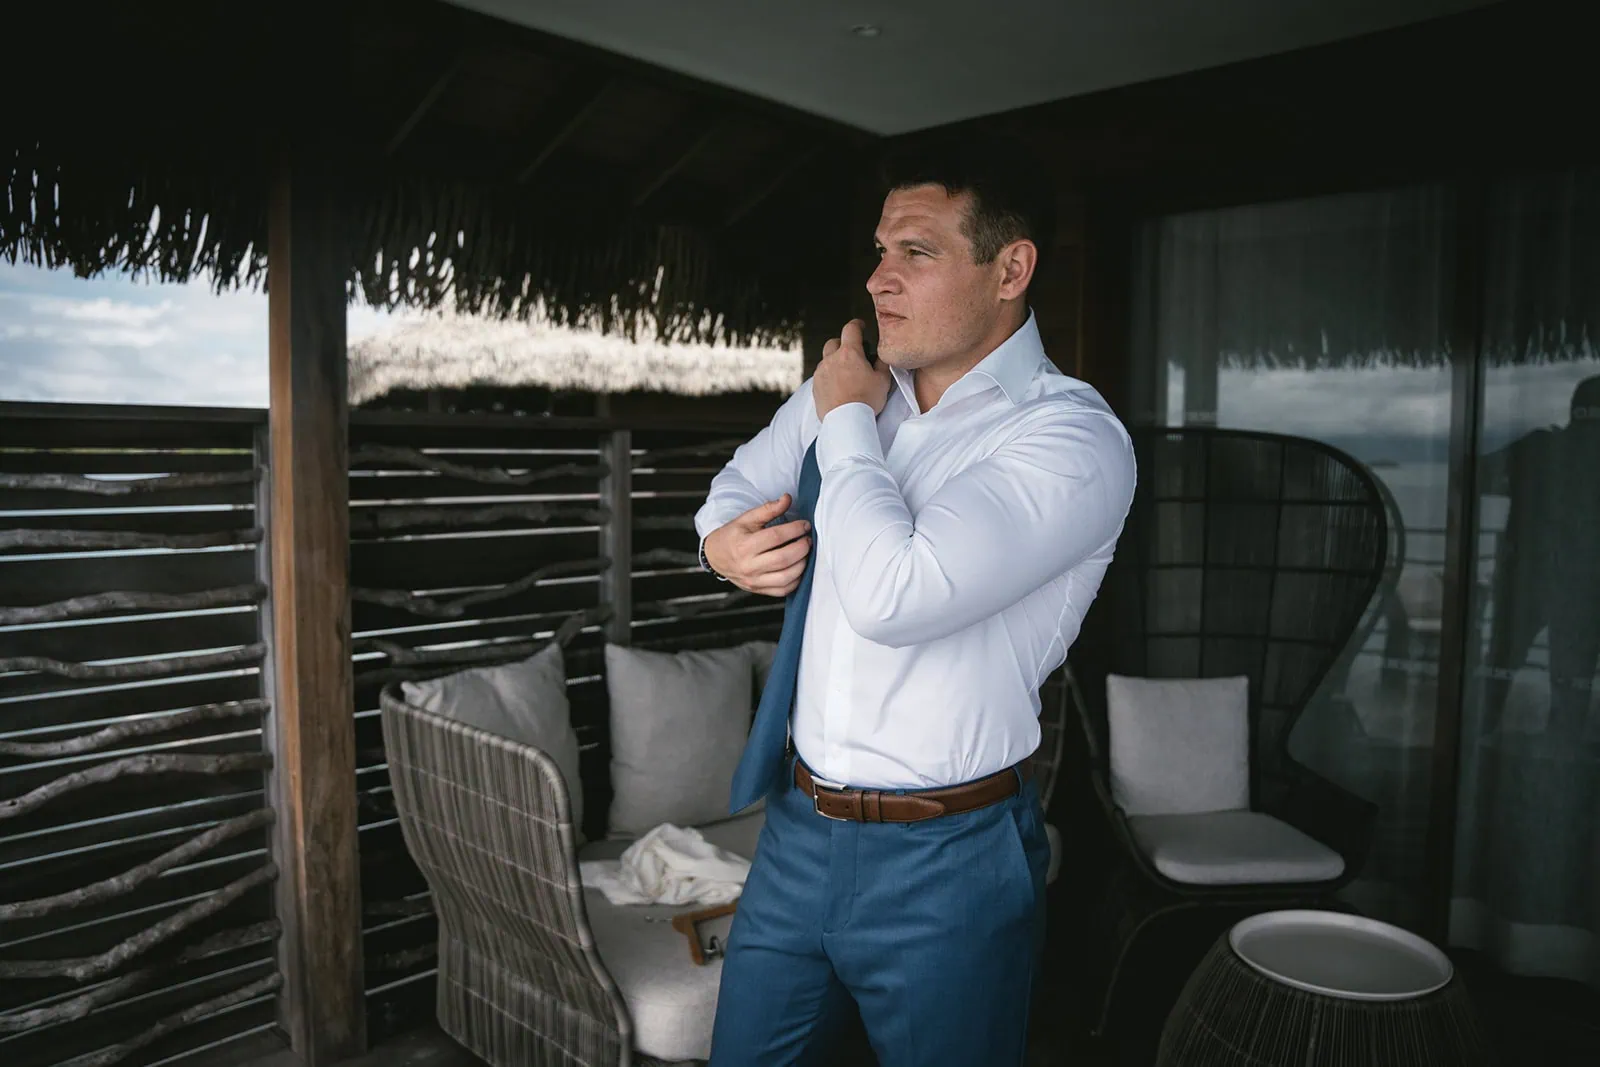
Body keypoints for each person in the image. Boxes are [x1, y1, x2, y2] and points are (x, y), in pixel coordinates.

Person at [693, 133, 1137, 1066]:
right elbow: (733, 488)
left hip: (952, 858)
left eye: (917, 253)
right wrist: (722, 547)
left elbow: (899, 593)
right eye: (880, 251)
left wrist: (847, 415)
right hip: (795, 834)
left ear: (1010, 267)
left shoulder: (1072, 436)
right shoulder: (860, 387)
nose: (878, 280)